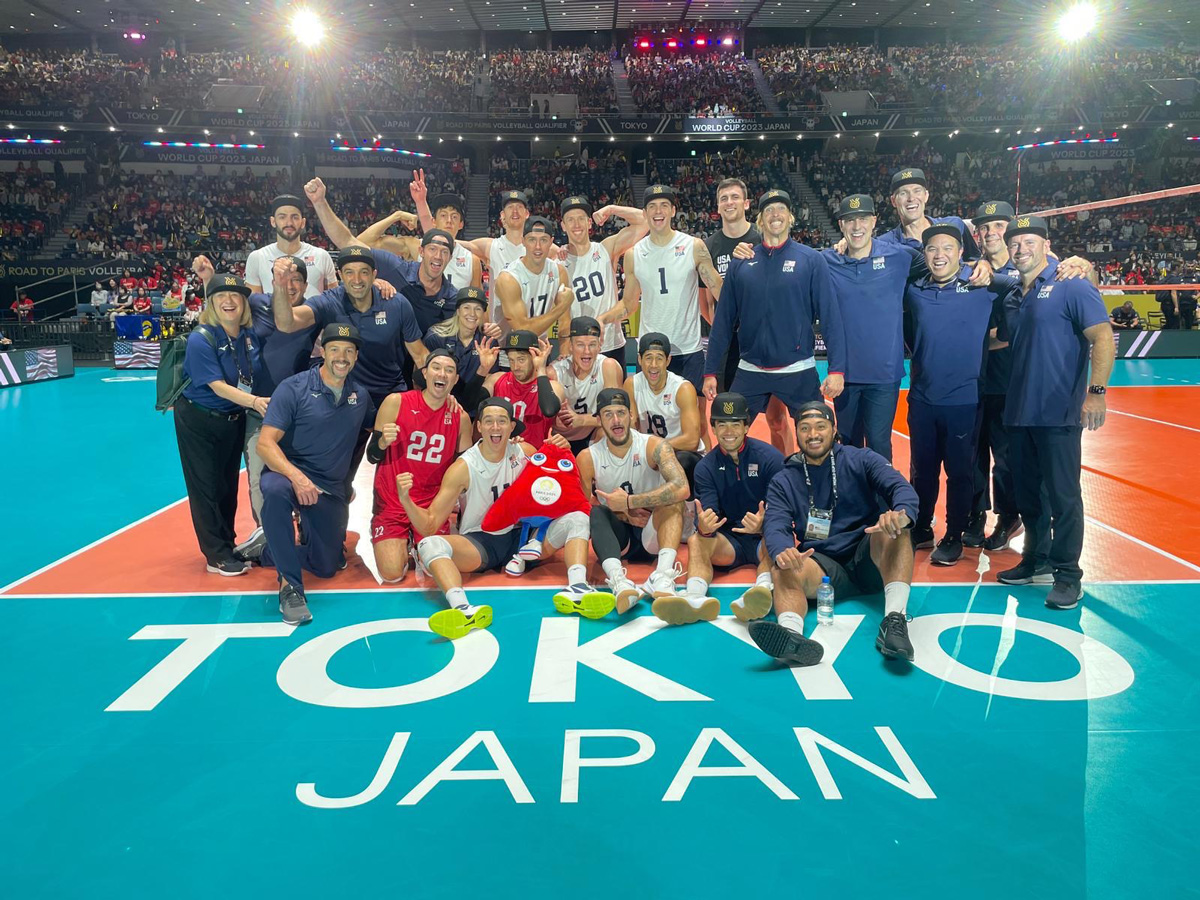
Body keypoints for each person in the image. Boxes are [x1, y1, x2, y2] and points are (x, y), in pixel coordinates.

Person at [398, 397, 611, 640]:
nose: (495, 428)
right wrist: (406, 500)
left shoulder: (526, 452)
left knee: (578, 517)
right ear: (479, 426)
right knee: (429, 543)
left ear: (512, 426)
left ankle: (577, 589)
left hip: (524, 538)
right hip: (481, 542)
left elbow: (561, 485)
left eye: (502, 421)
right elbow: (429, 524)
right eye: (489, 422)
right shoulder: (463, 468)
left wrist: (560, 447)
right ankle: (463, 610)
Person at [996, 215, 1114, 610]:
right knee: (1029, 496)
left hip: (1059, 412)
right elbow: (1006, 341)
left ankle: (1068, 575)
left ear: (1046, 245)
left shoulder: (1071, 284)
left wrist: (1095, 393)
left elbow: (1101, 337)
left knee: (1064, 497)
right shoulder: (1015, 294)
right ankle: (1036, 558)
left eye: (1029, 241)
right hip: (1019, 412)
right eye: (1014, 243)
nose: (1020, 249)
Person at [753, 402, 919, 666]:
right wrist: (782, 549)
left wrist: (901, 513)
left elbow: (900, 487)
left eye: (820, 426)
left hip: (868, 557)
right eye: (805, 428)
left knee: (895, 530)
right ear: (797, 433)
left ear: (833, 429)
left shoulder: (861, 458)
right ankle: (791, 637)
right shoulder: (784, 479)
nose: (813, 434)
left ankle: (894, 621)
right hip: (824, 567)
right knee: (783, 565)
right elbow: (775, 524)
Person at [240, 324, 375, 625]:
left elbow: (373, 430)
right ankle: (290, 589)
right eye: (335, 349)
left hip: (328, 487)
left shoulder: (360, 396)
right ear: (322, 352)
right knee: (273, 492)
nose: (342, 357)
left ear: (355, 357)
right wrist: (297, 477)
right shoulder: (293, 388)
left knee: (326, 566)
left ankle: (269, 549)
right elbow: (265, 444)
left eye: (349, 351)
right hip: (288, 476)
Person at [904, 224, 1018, 566]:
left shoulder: (984, 286)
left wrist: (985, 268)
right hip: (922, 399)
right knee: (922, 470)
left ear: (960, 253)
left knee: (960, 472)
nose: (939, 255)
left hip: (964, 400)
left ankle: (954, 535)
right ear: (925, 255)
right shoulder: (913, 291)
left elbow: (1020, 279)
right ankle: (922, 527)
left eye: (947, 248)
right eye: (932, 249)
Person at [704, 189, 845, 429]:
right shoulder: (742, 262)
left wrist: (837, 369)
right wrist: (710, 372)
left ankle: (792, 468)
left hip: (798, 369)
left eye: (781, 209)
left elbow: (830, 317)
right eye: (768, 210)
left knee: (818, 436)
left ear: (790, 217)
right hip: (750, 369)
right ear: (760, 220)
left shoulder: (810, 260)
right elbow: (723, 322)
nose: (775, 214)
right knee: (728, 431)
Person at [654, 392, 783, 626]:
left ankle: (762, 590)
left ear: (746, 426)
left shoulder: (771, 459)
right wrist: (704, 527)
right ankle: (694, 598)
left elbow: (782, 507)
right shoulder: (705, 468)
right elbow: (709, 515)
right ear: (713, 428)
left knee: (775, 539)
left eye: (735, 424)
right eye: (722, 424)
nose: (728, 431)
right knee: (696, 540)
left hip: (762, 536)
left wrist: (766, 524)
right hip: (729, 541)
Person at [172, 274, 268, 577]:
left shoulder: (249, 335)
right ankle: (216, 555)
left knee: (227, 485)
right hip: (199, 418)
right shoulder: (202, 337)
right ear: (211, 303)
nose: (229, 302)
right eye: (221, 297)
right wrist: (254, 403)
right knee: (206, 486)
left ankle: (228, 543)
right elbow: (215, 385)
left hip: (232, 418)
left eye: (236, 296)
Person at [822, 194, 925, 462]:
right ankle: (853, 503)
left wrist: (981, 263)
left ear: (874, 221)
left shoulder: (899, 256)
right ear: (841, 225)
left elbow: (943, 258)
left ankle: (884, 502)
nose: (857, 226)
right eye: (850, 220)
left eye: (863, 219)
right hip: (844, 376)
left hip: (884, 374)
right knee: (848, 444)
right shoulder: (827, 261)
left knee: (880, 443)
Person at [577, 388, 691, 613]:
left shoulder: (653, 445)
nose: (616, 420)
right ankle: (619, 582)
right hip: (620, 538)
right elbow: (581, 504)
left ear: (631, 416)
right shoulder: (588, 457)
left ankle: (662, 576)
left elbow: (682, 487)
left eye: (621, 412)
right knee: (594, 513)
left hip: (653, 530)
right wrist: (621, 513)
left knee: (674, 499)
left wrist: (630, 502)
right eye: (608, 414)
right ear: (598, 420)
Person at [368, 349, 474, 584]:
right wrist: (383, 442)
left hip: (431, 507)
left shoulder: (460, 417)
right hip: (392, 501)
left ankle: (418, 543)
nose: (442, 374)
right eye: (437, 368)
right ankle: (399, 539)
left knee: (434, 566)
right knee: (392, 574)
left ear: (455, 380)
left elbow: (465, 470)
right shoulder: (396, 402)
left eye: (450, 371)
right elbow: (372, 456)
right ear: (425, 373)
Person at [703, 177, 791, 454]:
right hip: (730, 349)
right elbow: (705, 303)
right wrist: (725, 331)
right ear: (717, 205)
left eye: (735, 197)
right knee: (732, 421)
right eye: (724, 198)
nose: (730, 202)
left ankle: (788, 474)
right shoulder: (709, 245)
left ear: (747, 203)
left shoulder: (763, 238)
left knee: (776, 419)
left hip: (767, 345)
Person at [619, 185, 724, 413]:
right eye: (652, 206)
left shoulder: (693, 246)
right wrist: (601, 319)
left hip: (688, 350)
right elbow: (628, 305)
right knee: (647, 418)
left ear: (674, 210)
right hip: (651, 352)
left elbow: (717, 287)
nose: (659, 211)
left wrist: (746, 312)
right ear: (645, 214)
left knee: (696, 420)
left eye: (664, 205)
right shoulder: (633, 254)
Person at [560, 194, 647, 367]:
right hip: (578, 346)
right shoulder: (558, 262)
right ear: (563, 226)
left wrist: (612, 209)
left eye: (581, 219)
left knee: (615, 394)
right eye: (570, 220)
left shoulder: (605, 249)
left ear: (589, 223)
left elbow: (645, 221)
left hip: (610, 343)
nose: (576, 224)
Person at [491, 216, 574, 367]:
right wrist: (561, 307)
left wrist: (564, 351)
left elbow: (565, 320)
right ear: (523, 241)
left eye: (543, 240)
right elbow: (523, 329)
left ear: (551, 241)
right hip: (508, 354)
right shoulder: (508, 278)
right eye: (531, 240)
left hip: (541, 352)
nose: (537, 246)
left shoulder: (558, 272)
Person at [624, 332, 703, 489]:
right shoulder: (632, 384)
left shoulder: (683, 388)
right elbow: (631, 428)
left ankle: (687, 508)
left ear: (668, 360)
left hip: (681, 453)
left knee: (681, 461)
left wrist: (655, 449)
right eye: (648, 358)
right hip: (648, 454)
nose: (653, 364)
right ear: (639, 360)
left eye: (659, 358)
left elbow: (692, 440)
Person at [550, 315, 624, 454]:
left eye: (592, 344)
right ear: (570, 347)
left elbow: (617, 416)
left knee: (608, 432)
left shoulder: (608, 367)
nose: (587, 351)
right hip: (559, 438)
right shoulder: (555, 372)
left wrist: (581, 420)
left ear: (599, 345)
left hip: (592, 435)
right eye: (580, 345)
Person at [243, 193, 338, 297]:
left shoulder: (321, 256)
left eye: (295, 217)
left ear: (303, 222)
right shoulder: (257, 257)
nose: (289, 223)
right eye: (282, 217)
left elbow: (333, 301)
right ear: (273, 221)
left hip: (314, 314)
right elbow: (255, 305)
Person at [424, 286, 502, 411]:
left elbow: (488, 384)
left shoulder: (488, 342)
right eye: (466, 307)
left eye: (478, 309)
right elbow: (421, 379)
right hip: (438, 406)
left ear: (483, 313)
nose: (472, 313)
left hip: (473, 408)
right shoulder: (436, 337)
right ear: (458, 310)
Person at [877, 167, 981, 257]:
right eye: (903, 193)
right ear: (893, 201)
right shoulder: (883, 245)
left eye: (917, 191)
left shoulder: (955, 225)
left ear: (926, 196)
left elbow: (975, 260)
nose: (911, 198)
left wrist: (983, 264)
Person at [484, 330, 565, 446]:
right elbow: (471, 405)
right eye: (511, 360)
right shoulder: (497, 379)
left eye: (521, 359)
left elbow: (549, 410)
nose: (515, 367)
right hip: (502, 453)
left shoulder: (552, 386)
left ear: (534, 357)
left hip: (536, 457)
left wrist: (541, 369)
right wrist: (483, 368)